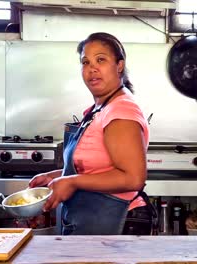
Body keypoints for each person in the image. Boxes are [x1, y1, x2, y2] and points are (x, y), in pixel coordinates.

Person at [29, 32, 156, 235]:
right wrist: (56, 177)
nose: (92, 68)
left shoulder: (121, 110)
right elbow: (95, 169)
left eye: (101, 60)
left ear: (119, 66)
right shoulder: (99, 109)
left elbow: (133, 178)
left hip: (116, 223)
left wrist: (71, 181)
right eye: (85, 62)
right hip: (93, 224)